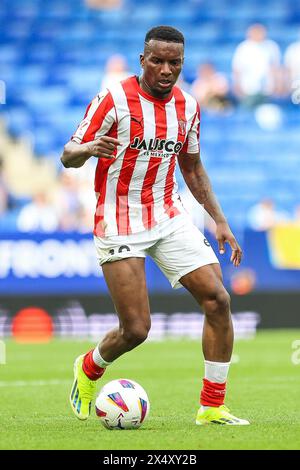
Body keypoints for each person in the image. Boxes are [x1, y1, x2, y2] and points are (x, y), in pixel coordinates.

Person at [61, 25, 249, 426]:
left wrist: (220, 220)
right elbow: (68, 154)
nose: (166, 69)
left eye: (175, 63)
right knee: (136, 329)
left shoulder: (188, 107)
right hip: (118, 218)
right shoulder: (114, 98)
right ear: (142, 59)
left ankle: (212, 405)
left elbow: (193, 167)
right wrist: (90, 148)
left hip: (167, 213)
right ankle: (90, 368)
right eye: (158, 61)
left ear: (183, 63)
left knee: (218, 300)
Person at [232, 24, 281, 107]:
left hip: (268, 90)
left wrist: (278, 85)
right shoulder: (243, 48)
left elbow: (276, 67)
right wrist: (238, 87)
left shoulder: (271, 46)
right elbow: (237, 69)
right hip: (248, 89)